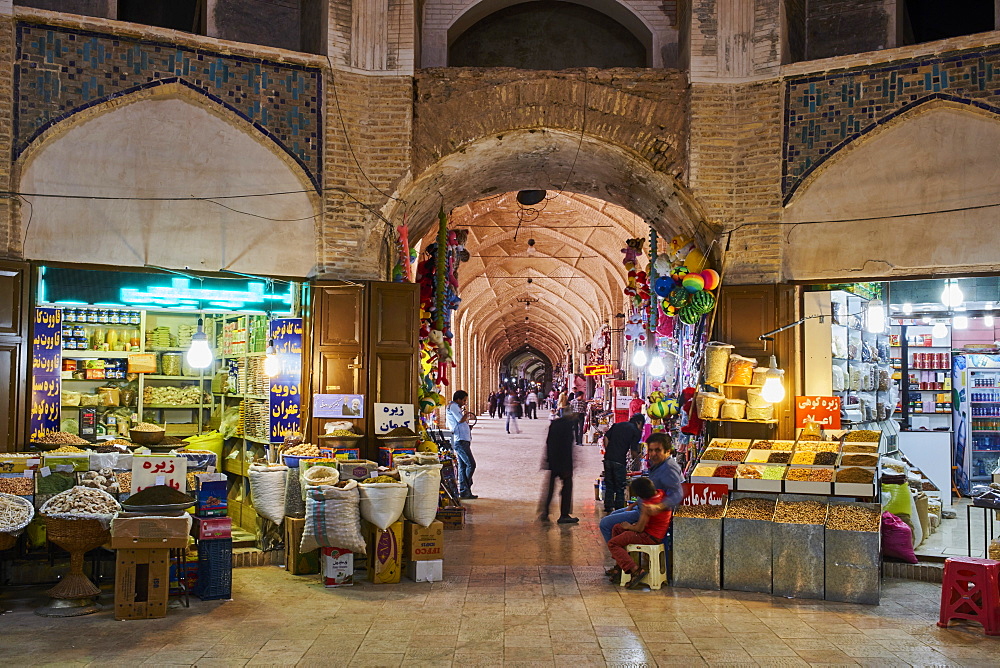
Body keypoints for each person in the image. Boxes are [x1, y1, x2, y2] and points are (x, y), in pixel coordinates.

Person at [599, 432, 683, 544]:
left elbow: (677, 494)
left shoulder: (669, 469)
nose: (653, 454)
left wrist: (658, 507)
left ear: (667, 451)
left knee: (605, 523)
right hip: (641, 507)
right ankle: (622, 551)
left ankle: (618, 552)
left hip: (649, 513)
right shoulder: (659, 464)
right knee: (614, 516)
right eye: (651, 450)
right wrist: (634, 504)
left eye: (657, 450)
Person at [605, 476, 672, 588]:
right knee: (617, 528)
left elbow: (639, 529)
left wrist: (629, 526)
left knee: (613, 543)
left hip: (648, 536)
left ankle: (635, 570)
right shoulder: (662, 495)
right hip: (656, 533)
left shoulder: (648, 506)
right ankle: (620, 566)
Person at [539, 410, 578, 523]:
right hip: (564, 463)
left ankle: (545, 512)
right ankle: (564, 515)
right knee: (567, 489)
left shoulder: (554, 424)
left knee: (550, 488)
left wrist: (548, 459)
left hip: (553, 461)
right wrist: (568, 466)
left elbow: (548, 442)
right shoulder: (567, 427)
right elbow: (567, 447)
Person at [602, 414, 645, 513]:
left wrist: (609, 450)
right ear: (639, 422)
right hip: (619, 461)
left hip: (608, 458)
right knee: (620, 486)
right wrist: (638, 459)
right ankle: (619, 508)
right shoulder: (635, 431)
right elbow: (634, 451)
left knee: (609, 483)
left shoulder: (617, 425)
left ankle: (608, 506)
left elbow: (606, 437)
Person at [446, 390, 477, 499]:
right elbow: (460, 419)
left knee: (463, 466)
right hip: (460, 441)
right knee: (471, 464)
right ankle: (465, 486)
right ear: (458, 399)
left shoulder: (455, 407)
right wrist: (467, 415)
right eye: (464, 400)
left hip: (463, 439)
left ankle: (465, 491)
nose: (464, 403)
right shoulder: (453, 406)